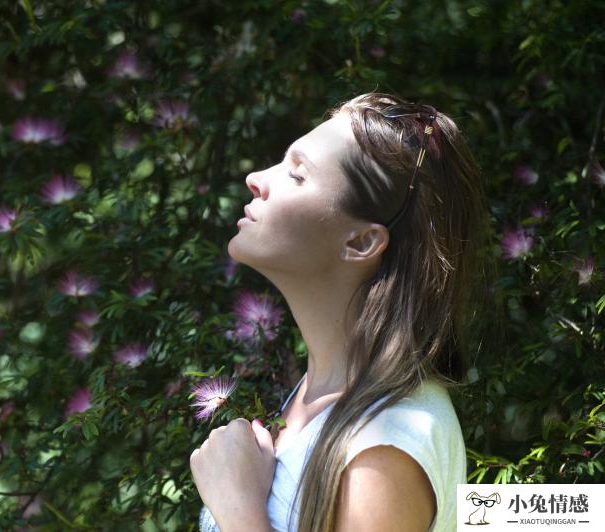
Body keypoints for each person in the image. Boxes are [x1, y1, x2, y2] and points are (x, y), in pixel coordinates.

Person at [190, 91, 491, 532]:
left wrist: (237, 509)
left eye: (296, 175)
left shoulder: (385, 445)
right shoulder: (322, 397)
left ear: (361, 243)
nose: (256, 177)